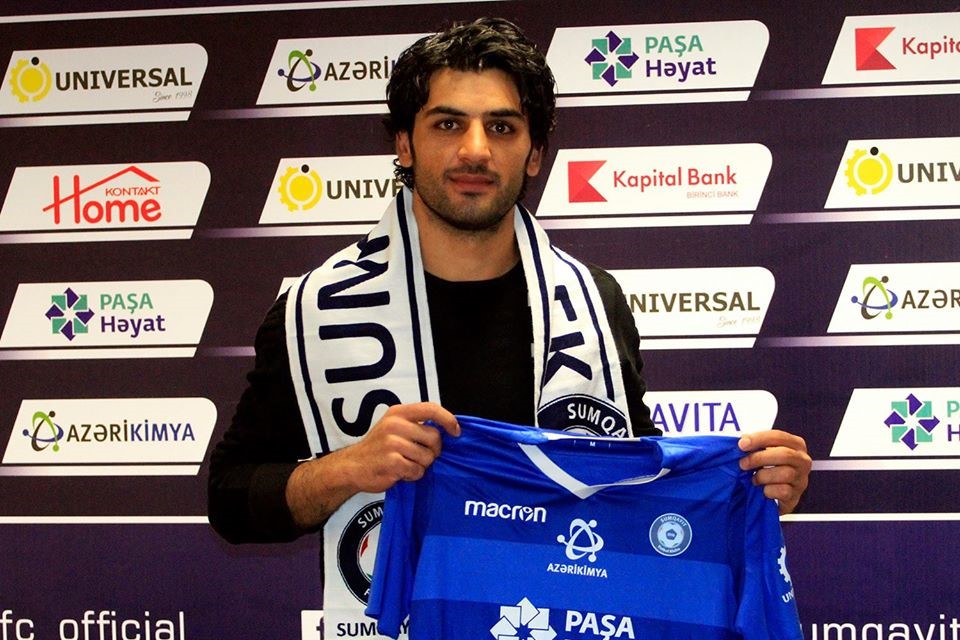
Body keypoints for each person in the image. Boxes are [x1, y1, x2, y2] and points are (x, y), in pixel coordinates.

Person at [207, 14, 810, 618]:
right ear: (404, 145)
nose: (475, 150)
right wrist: (348, 468)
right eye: (448, 123)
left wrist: (745, 492)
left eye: (502, 127)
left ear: (534, 154)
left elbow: (638, 489)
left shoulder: (594, 303)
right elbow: (230, 501)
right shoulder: (316, 311)